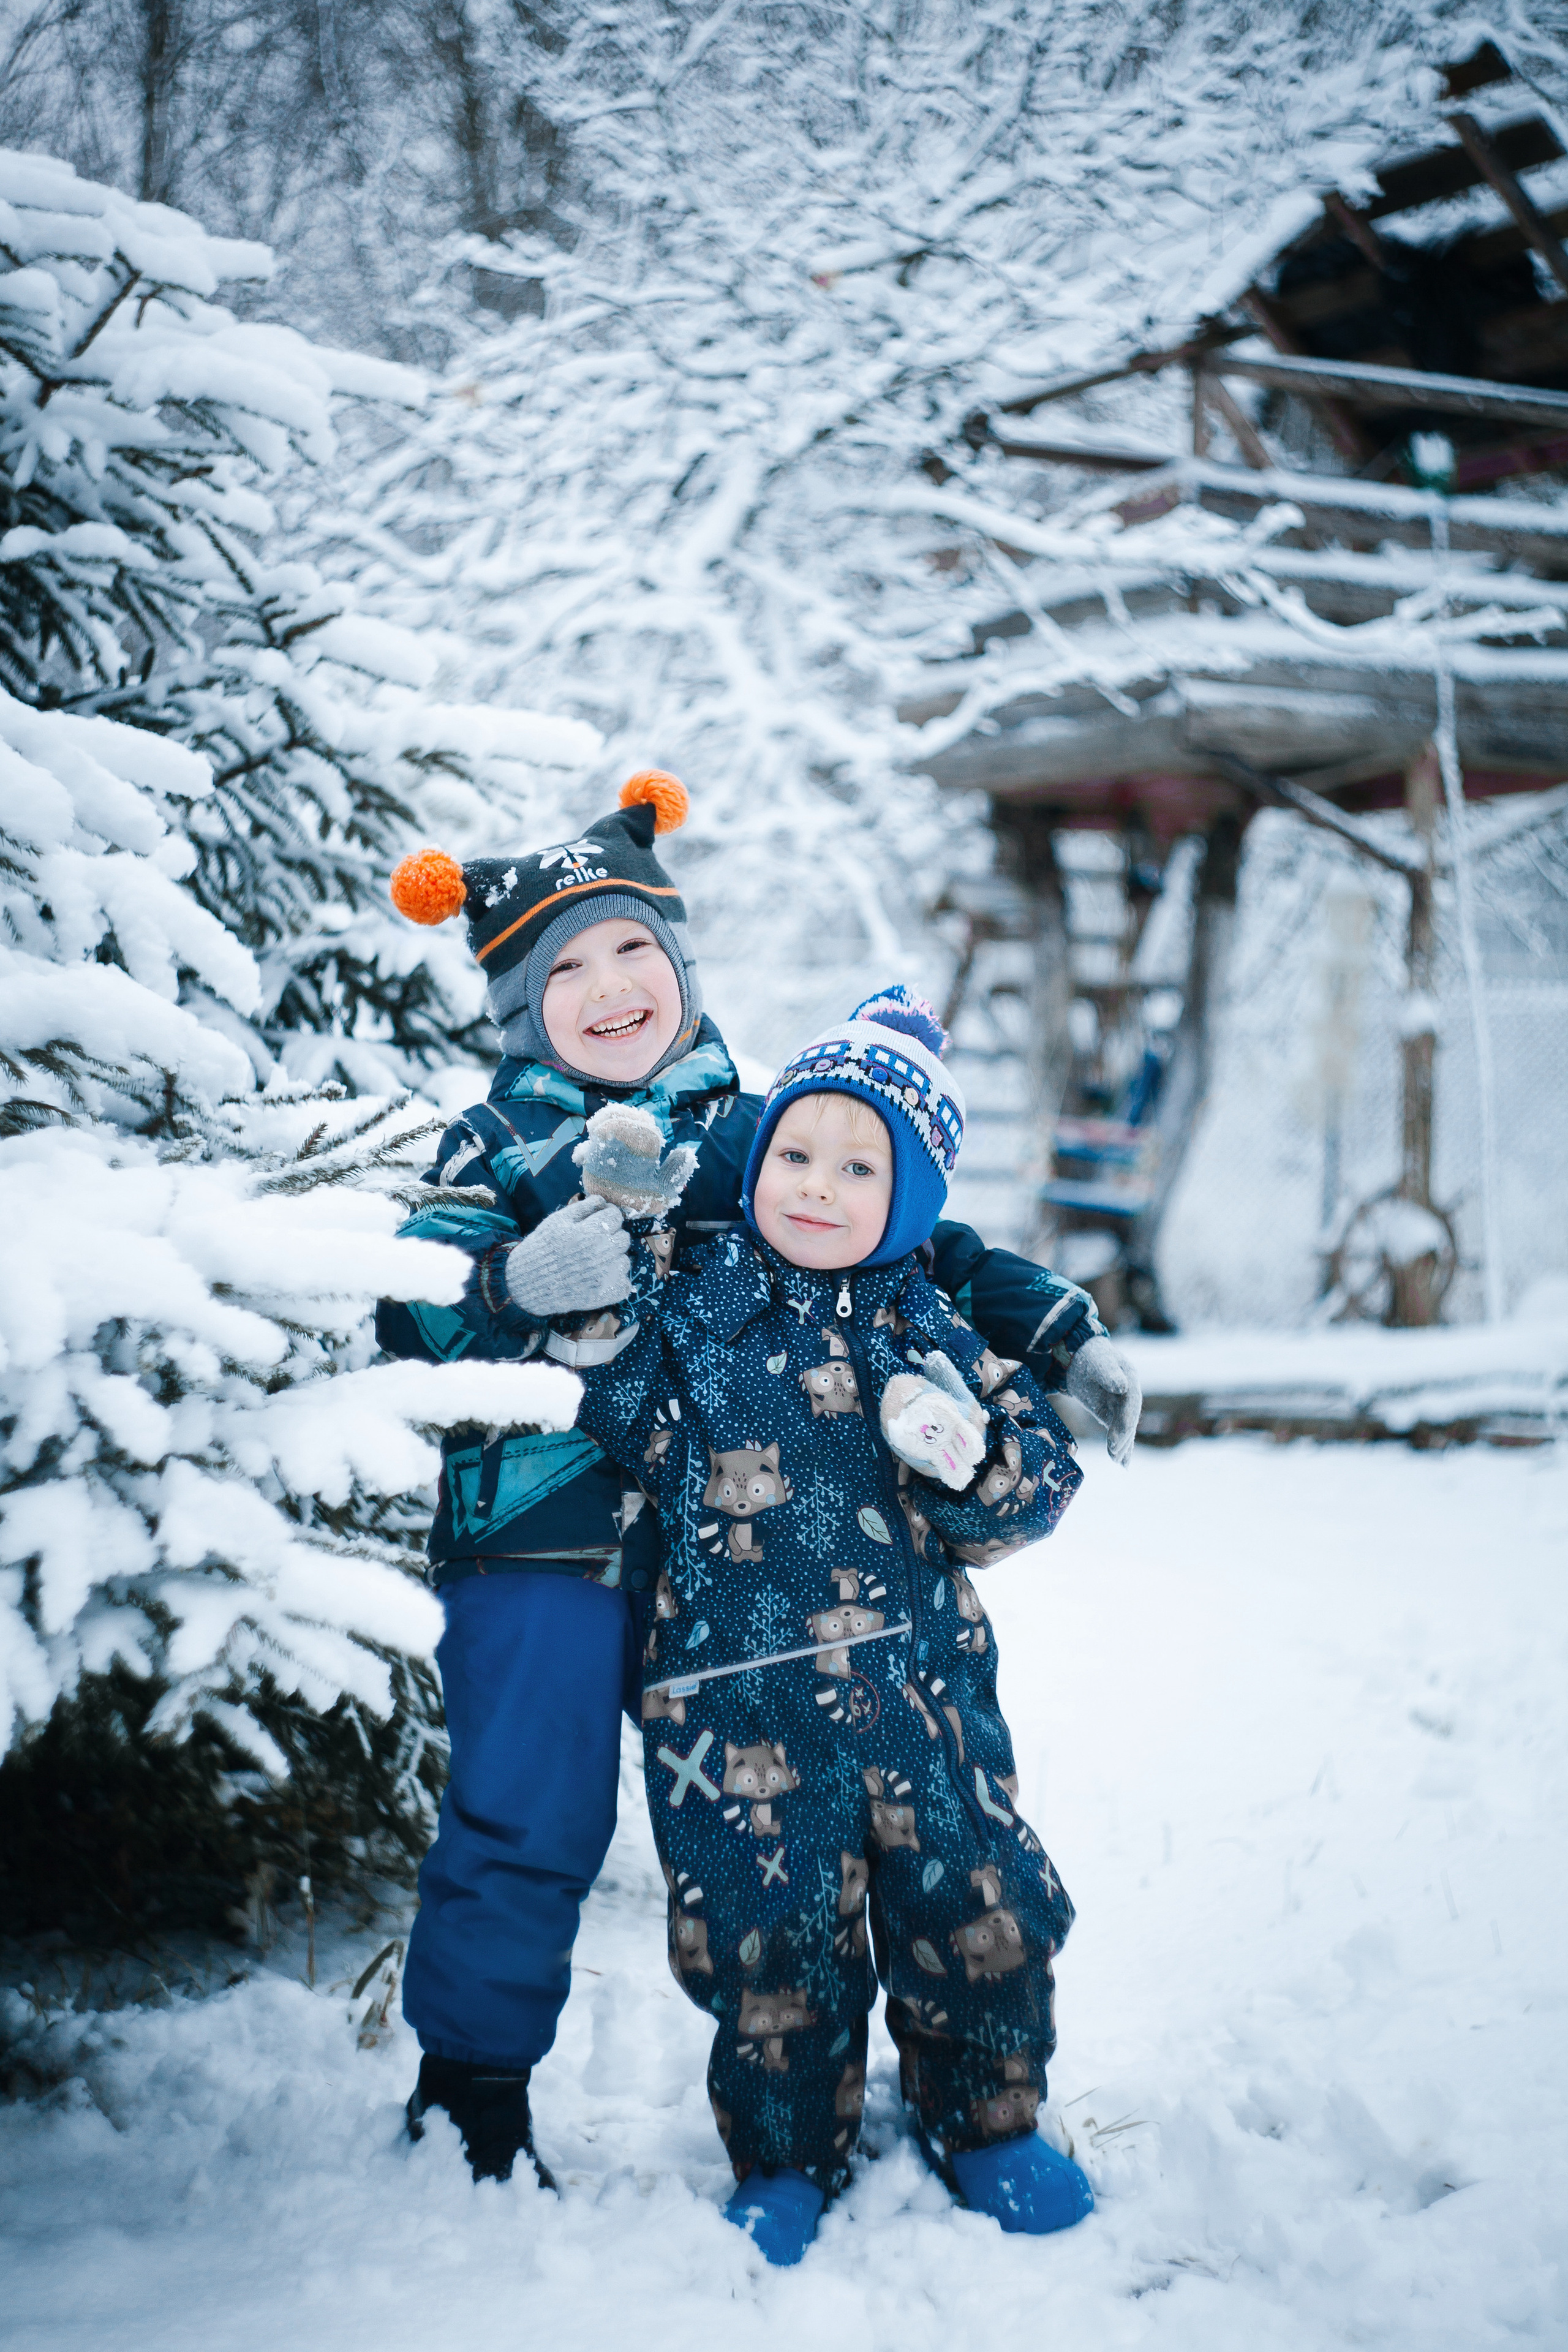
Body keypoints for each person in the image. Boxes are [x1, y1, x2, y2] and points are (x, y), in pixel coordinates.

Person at [377, 772, 1140, 2187]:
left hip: (728, 1538)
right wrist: (506, 1279)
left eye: (635, 954)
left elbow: (910, 1238)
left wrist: (1050, 1328)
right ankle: (470, 2093)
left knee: (776, 1823)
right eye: (568, 968)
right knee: (526, 1808)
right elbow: (407, 1304)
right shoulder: (491, 1144)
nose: (610, 989)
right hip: (539, 1537)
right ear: (517, 1002)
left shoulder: (747, 1125)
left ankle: (867, 2091)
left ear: (677, 966)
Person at [551, 988, 1095, 2264]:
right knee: (763, 1938)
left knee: (980, 1905)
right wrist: (594, 1314)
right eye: (794, 1152)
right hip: (730, 1701)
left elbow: (1031, 1489)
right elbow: (621, 1411)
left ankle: (989, 2123)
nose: (813, 1186)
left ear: (905, 1202)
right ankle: (785, 2157)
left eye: (858, 1169)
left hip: (920, 1691)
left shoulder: (935, 1325)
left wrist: (974, 1463)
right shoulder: (699, 1310)